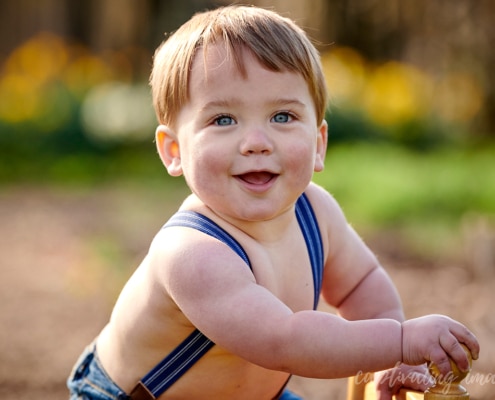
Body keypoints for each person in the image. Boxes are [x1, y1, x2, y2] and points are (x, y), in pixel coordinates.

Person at [67, 5, 479, 400]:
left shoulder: (316, 213)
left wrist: (391, 352)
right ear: (174, 149)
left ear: (318, 145)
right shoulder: (192, 255)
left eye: (282, 116)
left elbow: (360, 285)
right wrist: (400, 341)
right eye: (223, 120)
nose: (257, 143)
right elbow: (285, 340)